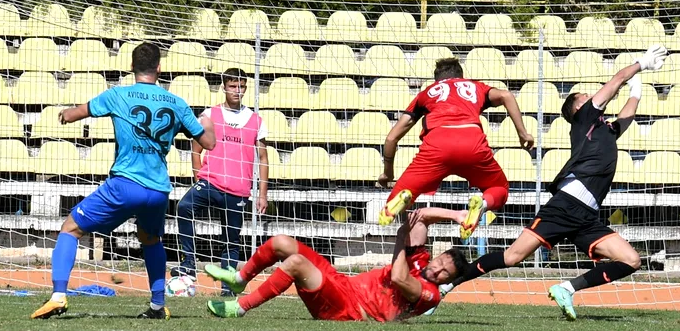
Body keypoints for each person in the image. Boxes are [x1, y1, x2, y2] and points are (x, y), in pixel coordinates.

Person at [438, 44, 668, 321]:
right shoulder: (584, 118)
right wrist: (639, 64)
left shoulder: (604, 130)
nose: (590, 94)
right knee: (512, 258)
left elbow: (626, 114)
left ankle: (566, 288)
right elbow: (615, 81)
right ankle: (448, 286)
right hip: (565, 206)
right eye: (585, 95)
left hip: (586, 215)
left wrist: (638, 84)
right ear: (579, 107)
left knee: (631, 260)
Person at [31, 42, 216, 320]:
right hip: (157, 190)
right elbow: (208, 143)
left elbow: (78, 112)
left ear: (131, 67)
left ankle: (58, 296)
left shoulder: (118, 95)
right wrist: (207, 124)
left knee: (70, 228)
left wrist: (66, 114)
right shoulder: (177, 104)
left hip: (125, 184)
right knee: (150, 240)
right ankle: (156, 306)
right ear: (159, 68)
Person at [204, 207, 470, 322]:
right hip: (343, 285)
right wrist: (458, 216)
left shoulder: (430, 294)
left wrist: (401, 238)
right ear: (437, 255)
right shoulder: (421, 259)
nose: (438, 269)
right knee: (281, 241)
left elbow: (400, 278)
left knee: (295, 262)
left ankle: (240, 308)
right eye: (441, 261)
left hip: (350, 310)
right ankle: (239, 279)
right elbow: (419, 219)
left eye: (445, 272)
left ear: (446, 281)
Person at [377, 57, 534, 239]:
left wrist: (388, 173)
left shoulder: (426, 94)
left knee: (394, 203)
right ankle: (482, 204)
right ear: (461, 76)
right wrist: (523, 133)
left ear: (437, 80)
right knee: (499, 188)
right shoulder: (475, 87)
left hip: (437, 144)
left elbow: (391, 138)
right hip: (472, 142)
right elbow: (506, 95)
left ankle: (406, 199)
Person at [172, 68, 270, 296]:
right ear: (224, 87)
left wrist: (262, 194)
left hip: (238, 189)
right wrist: (199, 174)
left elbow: (263, 158)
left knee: (231, 240)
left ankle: (228, 289)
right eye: (233, 86)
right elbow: (195, 148)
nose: (237, 91)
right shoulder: (210, 115)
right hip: (210, 183)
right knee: (184, 207)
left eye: (241, 86)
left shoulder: (255, 120)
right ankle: (188, 263)